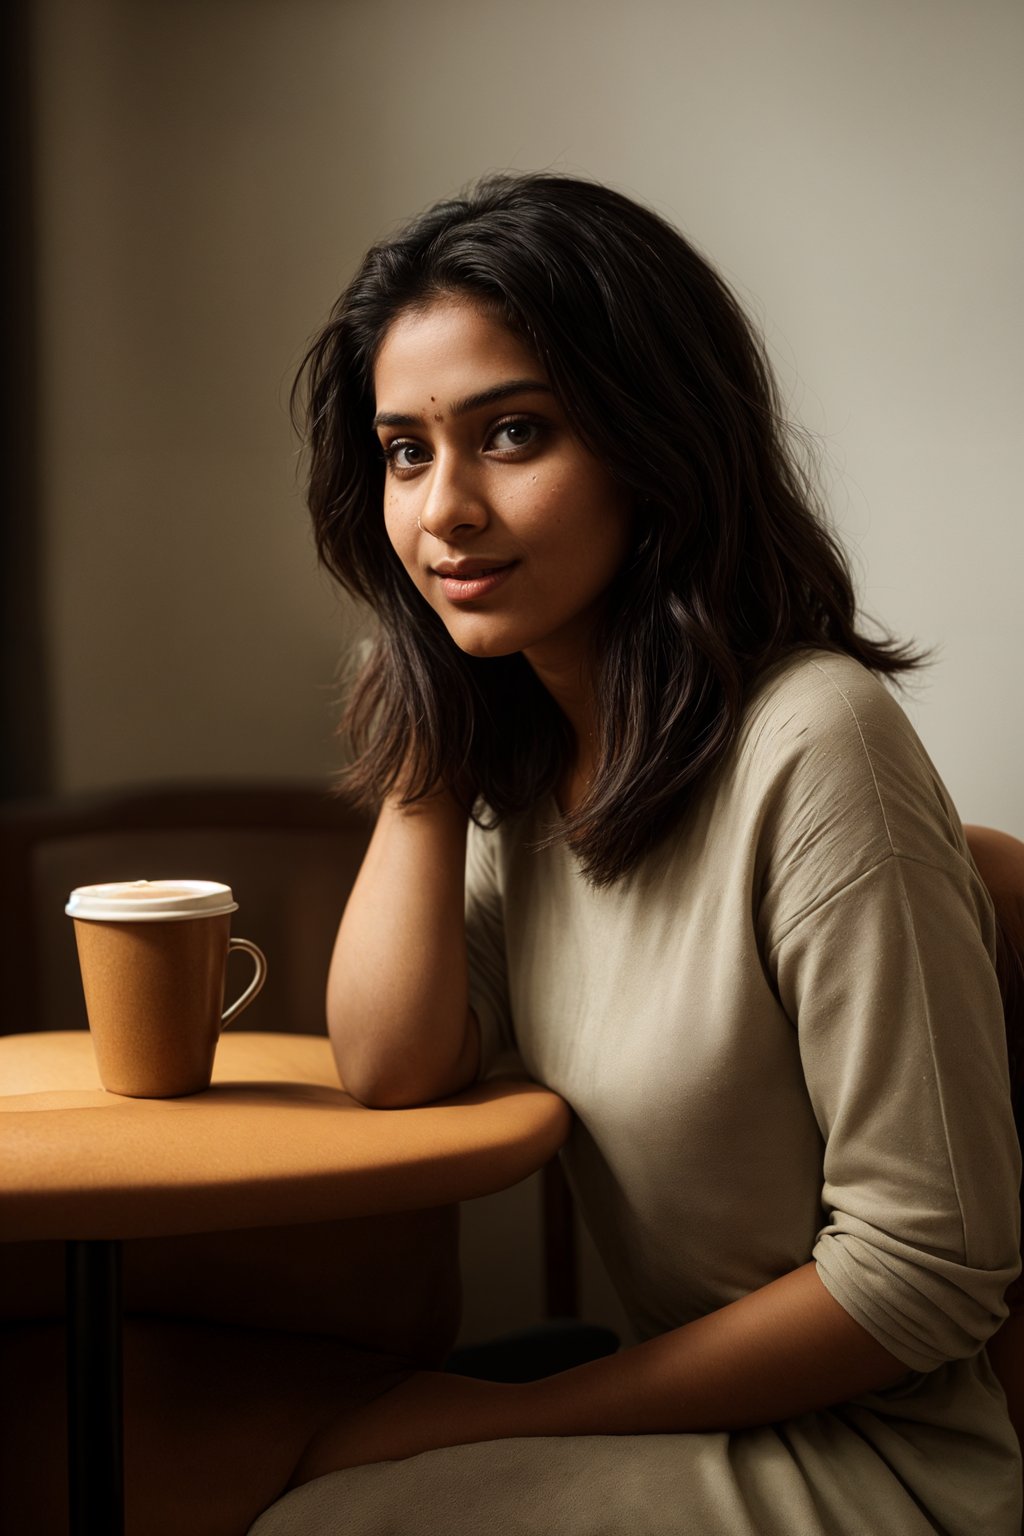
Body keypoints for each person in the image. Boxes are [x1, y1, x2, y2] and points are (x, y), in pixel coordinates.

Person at [251, 174, 1021, 1534]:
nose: (445, 512)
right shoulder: (536, 778)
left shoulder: (818, 742)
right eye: (406, 451)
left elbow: (925, 1276)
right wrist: (426, 753)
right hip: (701, 1416)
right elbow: (395, 1063)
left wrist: (496, 1417)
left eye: (514, 434)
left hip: (880, 1469)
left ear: (654, 447)